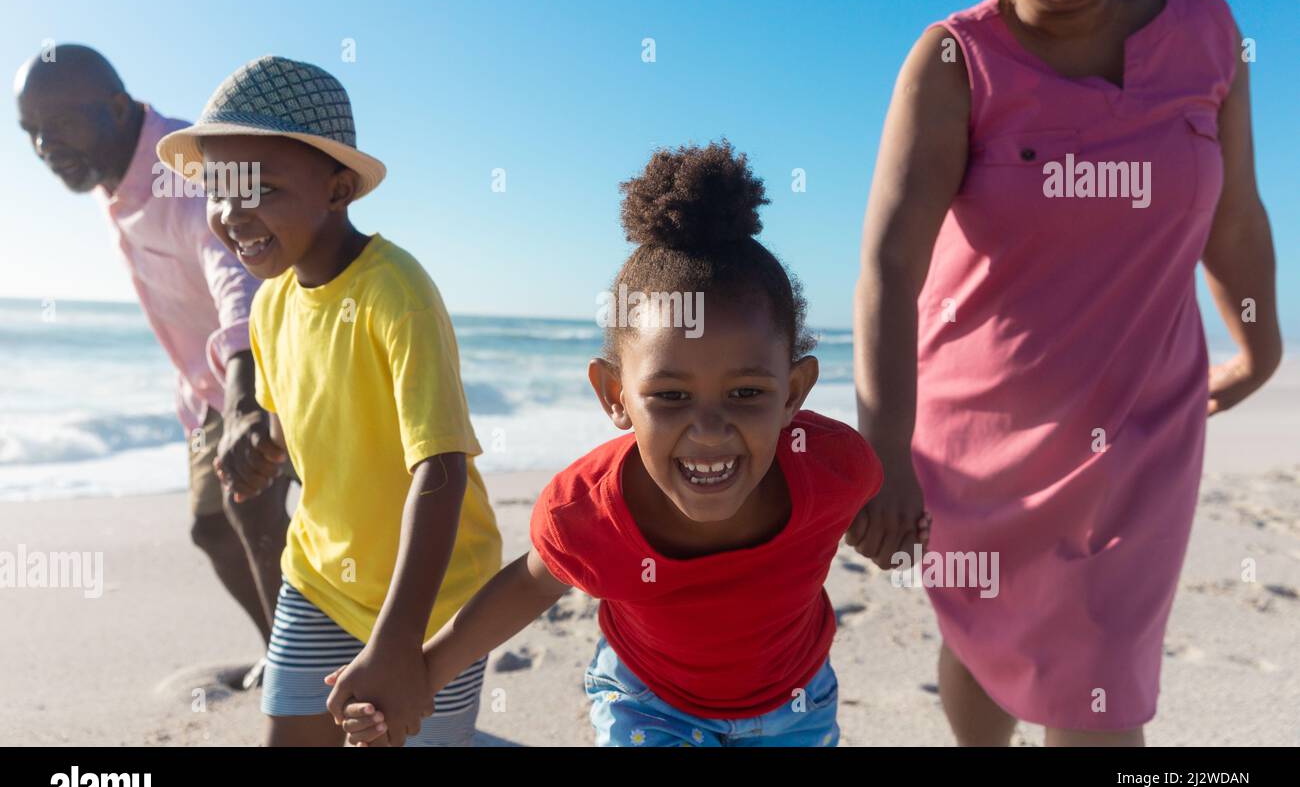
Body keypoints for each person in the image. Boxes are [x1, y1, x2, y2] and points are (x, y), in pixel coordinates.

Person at [853, 0, 1282, 746]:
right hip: (977, 434)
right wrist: (883, 452)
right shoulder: (952, 61)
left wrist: (1259, 348)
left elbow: (1234, 216)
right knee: (982, 640)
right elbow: (890, 265)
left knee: (1100, 673)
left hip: (1141, 429)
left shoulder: (1207, 35)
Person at [329, 140, 913, 747]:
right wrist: (419, 675)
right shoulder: (586, 512)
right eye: (670, 397)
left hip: (797, 703)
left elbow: (880, 506)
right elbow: (532, 584)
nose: (708, 430)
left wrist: (891, 529)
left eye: (745, 394)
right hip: (650, 707)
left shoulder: (834, 467)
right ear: (615, 395)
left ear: (794, 392)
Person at [160, 55, 503, 746]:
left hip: (432, 600)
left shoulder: (395, 292)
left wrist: (399, 642)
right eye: (220, 191)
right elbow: (309, 425)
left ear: (339, 188)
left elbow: (439, 469)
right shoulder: (270, 307)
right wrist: (265, 448)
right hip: (317, 580)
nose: (232, 214)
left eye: (260, 188)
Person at [13, 45, 292, 688]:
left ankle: (304, 684)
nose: (44, 146)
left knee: (252, 509)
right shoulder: (111, 174)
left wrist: (249, 399)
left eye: (59, 125)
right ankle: (287, 654)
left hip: (277, 366)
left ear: (115, 108)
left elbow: (238, 278)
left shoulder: (183, 167)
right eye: (31, 132)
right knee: (213, 528)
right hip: (209, 390)